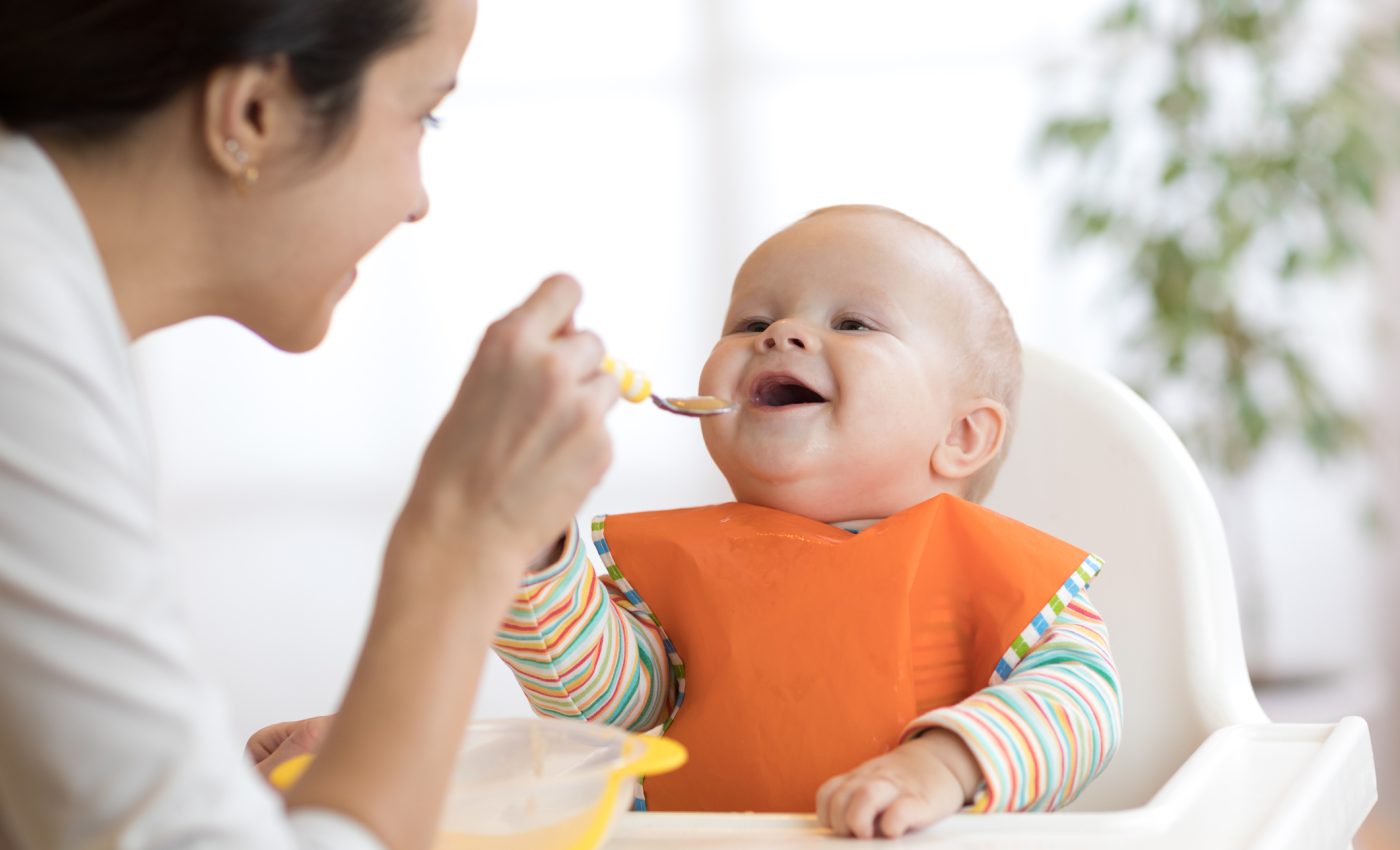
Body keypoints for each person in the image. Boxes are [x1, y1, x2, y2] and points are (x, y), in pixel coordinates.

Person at [0, 0, 619, 848]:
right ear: (255, 113)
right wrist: (464, 537)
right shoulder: (20, 327)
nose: (418, 203)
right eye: (423, 114)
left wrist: (224, 792)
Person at [492, 205, 1123, 839]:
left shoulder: (995, 579)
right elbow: (605, 709)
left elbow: (1082, 707)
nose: (781, 333)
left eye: (853, 322)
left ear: (961, 434)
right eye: (753, 321)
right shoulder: (691, 573)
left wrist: (940, 766)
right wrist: (534, 547)